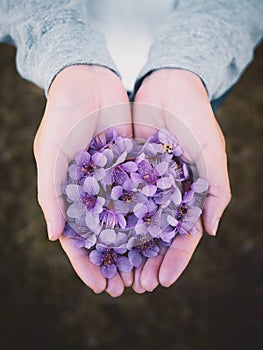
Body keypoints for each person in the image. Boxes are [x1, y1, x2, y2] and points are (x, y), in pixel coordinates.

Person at [0, 0, 262, 298]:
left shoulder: (155, 183)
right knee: (61, 101)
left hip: (191, 57)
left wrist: (190, 66)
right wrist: (65, 54)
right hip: (71, 45)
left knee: (200, 105)